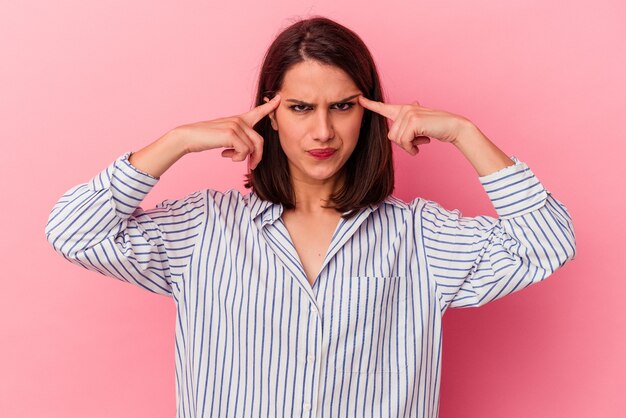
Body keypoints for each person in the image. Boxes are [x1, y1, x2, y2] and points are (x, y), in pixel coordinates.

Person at [45, 15, 576, 418]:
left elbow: (547, 243)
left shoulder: (418, 237)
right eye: (300, 108)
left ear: (368, 114)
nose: (322, 132)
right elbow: (73, 232)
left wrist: (465, 133)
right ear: (270, 114)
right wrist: (176, 142)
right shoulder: (203, 230)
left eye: (342, 106)